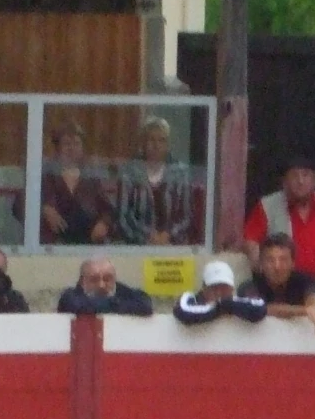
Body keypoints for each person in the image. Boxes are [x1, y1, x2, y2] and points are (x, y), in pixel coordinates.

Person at [242, 157, 315, 281]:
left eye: (305, 175)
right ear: (284, 182)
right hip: (285, 285)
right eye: (294, 176)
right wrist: (263, 271)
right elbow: (251, 241)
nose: (300, 181)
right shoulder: (267, 206)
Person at [116, 116, 198, 247]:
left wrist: (168, 235)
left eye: (162, 140)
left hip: (173, 245)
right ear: (143, 143)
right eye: (151, 140)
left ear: (168, 144)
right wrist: (148, 236)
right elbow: (123, 216)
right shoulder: (129, 171)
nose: (156, 145)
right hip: (137, 245)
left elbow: (187, 216)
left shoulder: (181, 172)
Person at [39, 123, 114, 246]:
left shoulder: (90, 178)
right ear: (57, 148)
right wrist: (43, 209)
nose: (72, 148)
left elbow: (108, 210)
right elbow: (20, 204)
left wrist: (104, 224)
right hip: (52, 245)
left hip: (87, 243)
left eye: (77, 144)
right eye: (67, 143)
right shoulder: (45, 175)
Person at [245, 234, 315, 336]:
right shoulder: (250, 286)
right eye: (270, 260)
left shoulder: (303, 280)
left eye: (283, 259)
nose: (277, 267)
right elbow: (263, 309)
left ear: (293, 263)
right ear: (261, 264)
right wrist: (305, 310)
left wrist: (313, 308)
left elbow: (312, 298)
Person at [175, 260, 267, 327]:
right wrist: (219, 308)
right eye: (214, 288)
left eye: (224, 288)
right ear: (204, 287)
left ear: (232, 288)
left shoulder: (235, 301)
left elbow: (260, 308)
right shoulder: (189, 298)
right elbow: (183, 312)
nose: (219, 292)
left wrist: (227, 305)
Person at [55, 256, 154, 318]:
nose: (101, 285)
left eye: (107, 279)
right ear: (82, 281)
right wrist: (116, 304)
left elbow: (145, 305)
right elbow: (81, 307)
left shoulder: (123, 291)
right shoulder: (69, 296)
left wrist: (109, 304)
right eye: (94, 279)